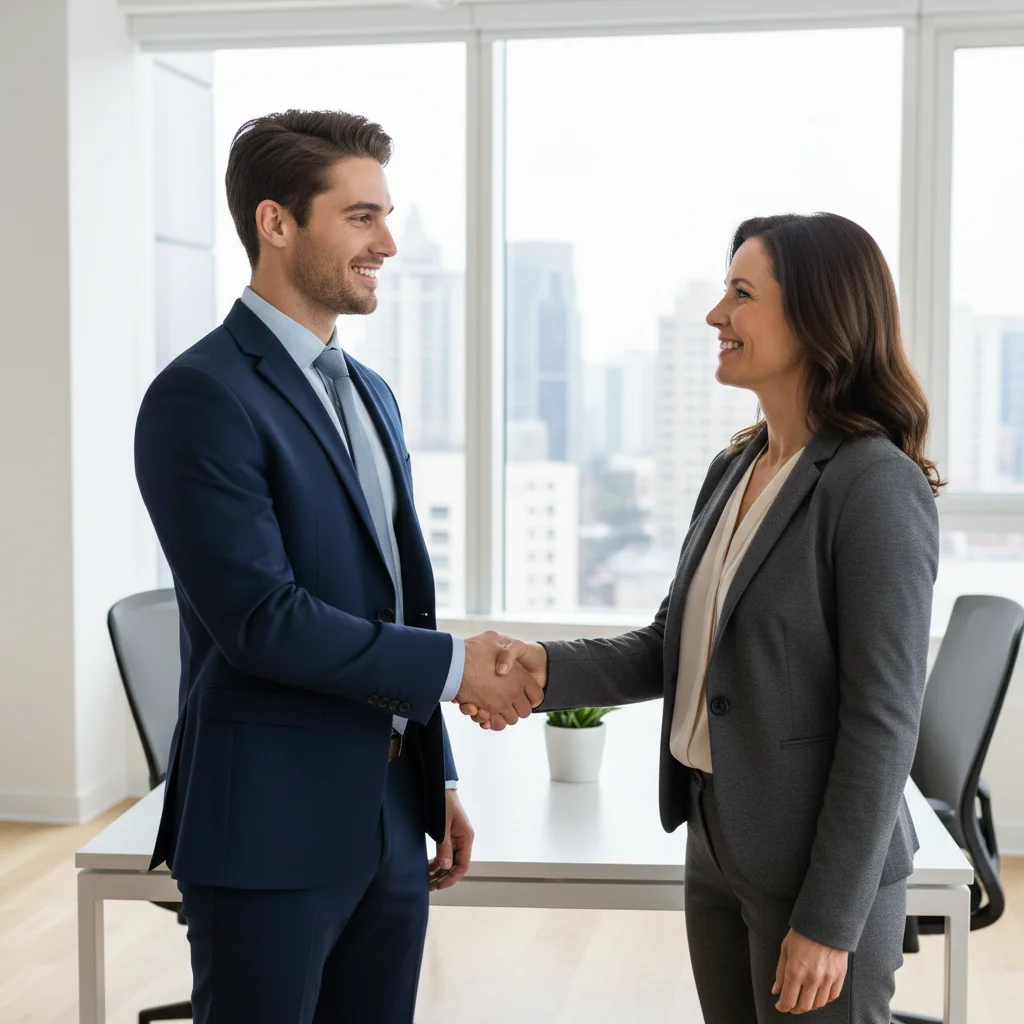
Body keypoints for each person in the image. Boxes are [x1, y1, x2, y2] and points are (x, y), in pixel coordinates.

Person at [464, 213, 941, 1021]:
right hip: (718, 841)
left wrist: (828, 921)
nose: (717, 316)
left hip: (813, 868)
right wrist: (544, 669)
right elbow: (674, 645)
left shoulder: (873, 485)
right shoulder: (738, 464)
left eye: (742, 294)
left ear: (818, 317)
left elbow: (884, 722)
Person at [135, 109, 542, 1024]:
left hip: (391, 816)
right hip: (267, 829)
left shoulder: (371, 393)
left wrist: (430, 780)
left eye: (386, 216)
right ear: (276, 223)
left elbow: (388, 591)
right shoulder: (201, 396)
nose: (388, 243)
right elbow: (261, 619)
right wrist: (452, 668)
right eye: (361, 217)